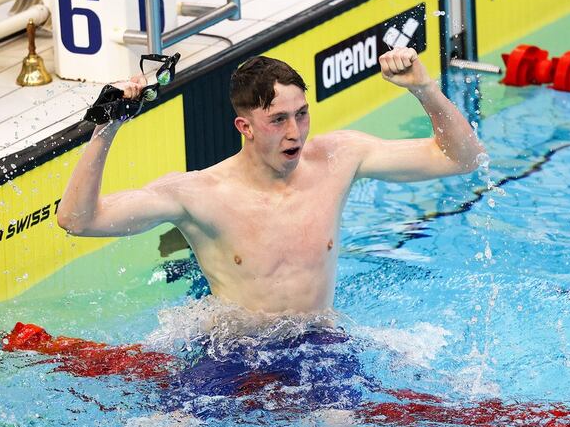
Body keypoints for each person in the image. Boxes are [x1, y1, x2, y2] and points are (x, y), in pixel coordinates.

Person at [56, 48, 486, 315]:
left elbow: (462, 159)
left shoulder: (339, 157)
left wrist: (423, 88)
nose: (295, 132)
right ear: (244, 126)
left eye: (301, 114)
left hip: (320, 348)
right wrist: (106, 128)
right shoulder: (199, 194)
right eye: (278, 120)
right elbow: (78, 221)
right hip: (233, 357)